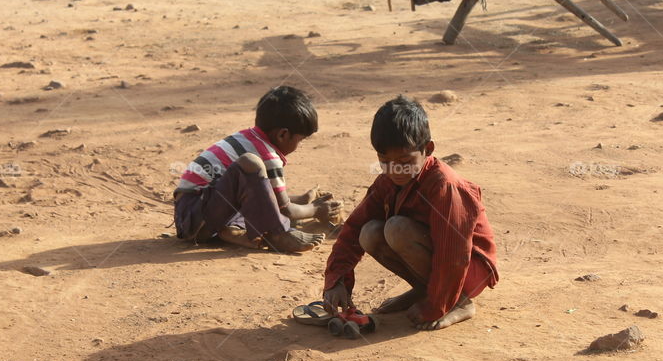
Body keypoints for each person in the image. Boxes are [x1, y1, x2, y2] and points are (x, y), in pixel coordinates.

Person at [322, 95, 498, 330]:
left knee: (397, 229)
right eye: (384, 160)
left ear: (428, 149)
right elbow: (353, 230)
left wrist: (436, 306)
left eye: (405, 160)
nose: (394, 169)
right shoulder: (388, 181)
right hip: (439, 263)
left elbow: (453, 254)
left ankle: (460, 302)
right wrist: (337, 280)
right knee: (370, 232)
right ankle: (424, 290)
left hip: (467, 268)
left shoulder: (445, 185)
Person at [173, 86, 341, 253]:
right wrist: (316, 209)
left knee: (259, 196)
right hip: (194, 218)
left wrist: (301, 201)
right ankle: (279, 234)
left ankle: (230, 232)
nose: (300, 145)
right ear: (283, 134)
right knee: (250, 163)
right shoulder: (267, 155)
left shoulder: (248, 137)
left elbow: (259, 196)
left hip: (194, 211)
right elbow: (286, 209)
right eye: (301, 139)